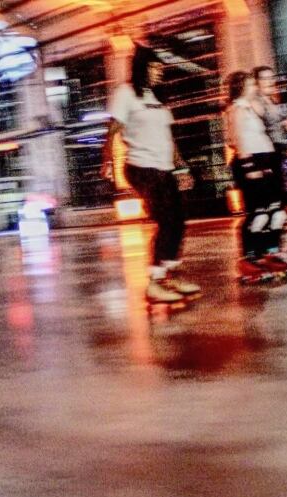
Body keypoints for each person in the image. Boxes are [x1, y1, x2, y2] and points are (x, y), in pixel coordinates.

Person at [101, 44, 200, 304]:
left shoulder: (157, 99)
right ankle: (154, 283)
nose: (160, 73)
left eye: (161, 69)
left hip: (164, 167)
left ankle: (172, 275)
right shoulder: (126, 93)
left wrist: (182, 167)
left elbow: (169, 139)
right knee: (166, 219)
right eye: (155, 68)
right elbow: (113, 130)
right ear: (142, 67)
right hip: (141, 166)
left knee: (179, 221)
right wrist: (107, 162)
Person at [224, 71, 287, 280]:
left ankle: (269, 253)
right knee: (258, 214)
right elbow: (236, 139)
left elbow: (270, 117)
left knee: (276, 212)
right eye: (252, 84)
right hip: (250, 162)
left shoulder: (252, 107)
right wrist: (249, 165)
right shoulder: (236, 109)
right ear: (241, 87)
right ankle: (248, 258)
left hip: (266, 160)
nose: (256, 87)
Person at [252, 65, 287, 212]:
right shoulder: (256, 102)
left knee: (283, 182)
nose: (270, 81)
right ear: (256, 82)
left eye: (271, 77)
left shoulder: (272, 100)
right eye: (265, 78)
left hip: (278, 148)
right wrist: (285, 122)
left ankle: (286, 206)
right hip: (268, 151)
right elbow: (259, 127)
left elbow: (276, 123)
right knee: (276, 189)